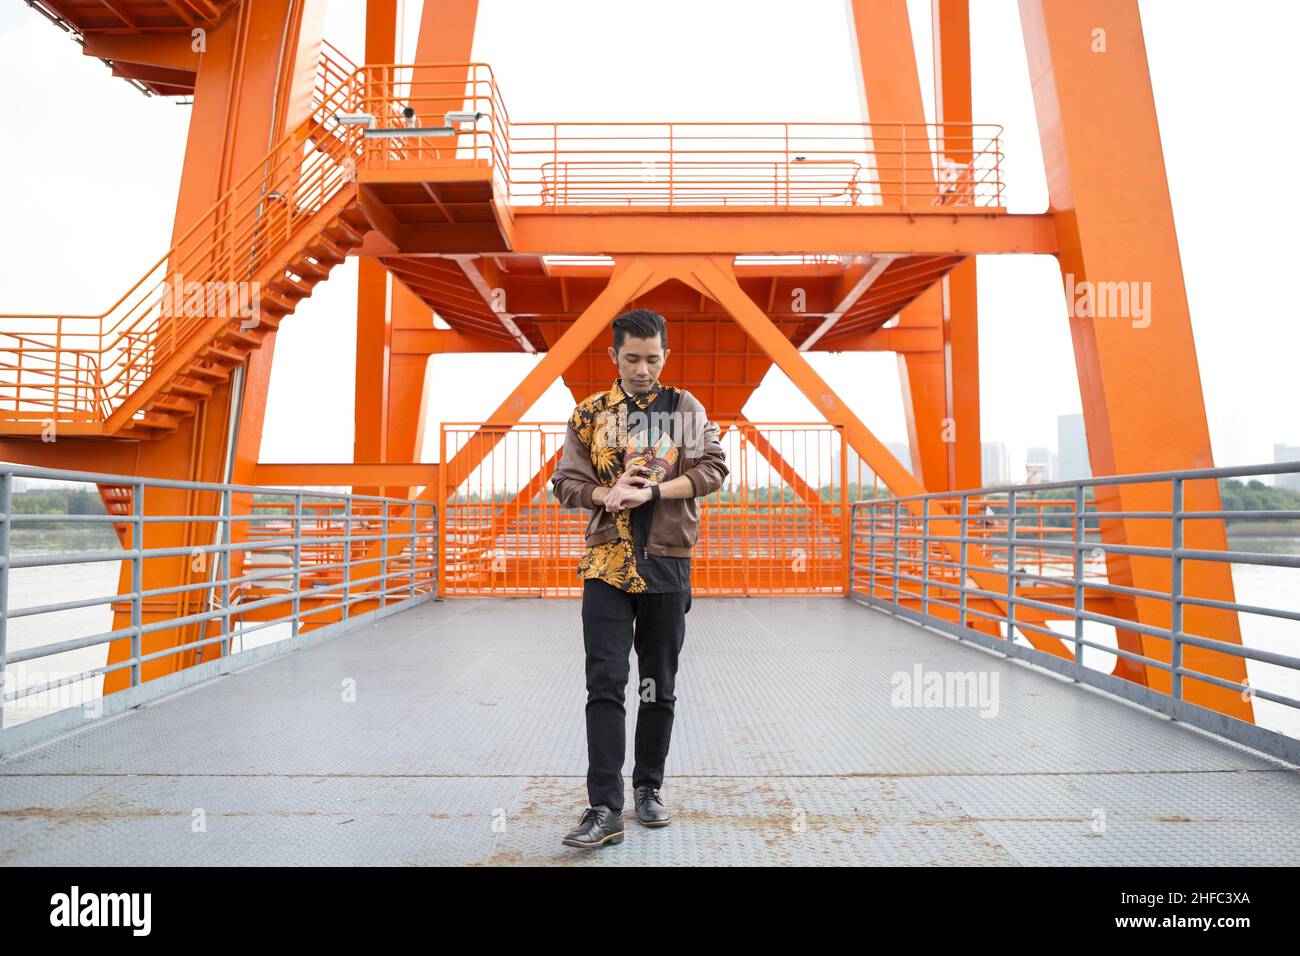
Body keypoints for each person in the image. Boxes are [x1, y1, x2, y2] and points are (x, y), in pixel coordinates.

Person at [549, 308, 728, 849]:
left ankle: (648, 787)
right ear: (614, 357)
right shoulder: (589, 414)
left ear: (665, 356)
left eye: (652, 358)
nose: (643, 369)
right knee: (604, 684)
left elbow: (713, 469)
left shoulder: (684, 408)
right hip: (606, 564)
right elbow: (564, 482)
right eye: (632, 359)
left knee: (658, 687)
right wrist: (606, 494)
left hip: (667, 562)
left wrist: (652, 492)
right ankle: (604, 807)